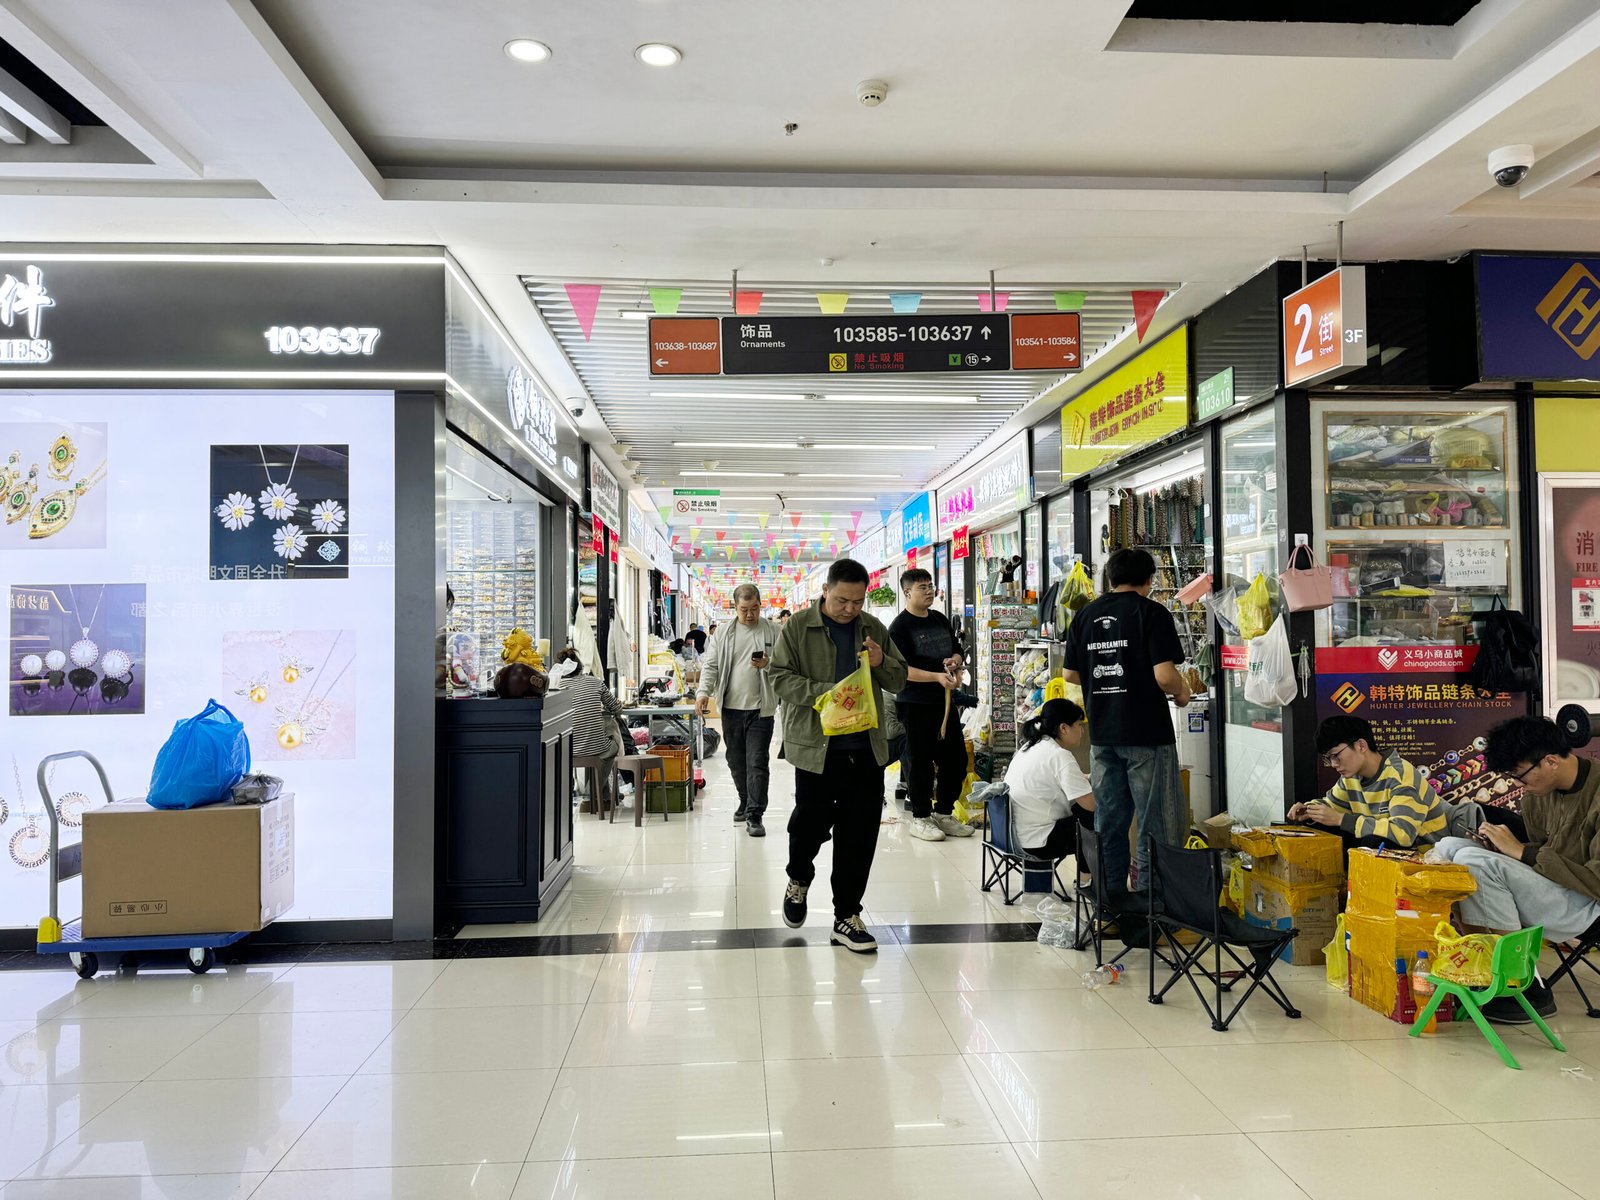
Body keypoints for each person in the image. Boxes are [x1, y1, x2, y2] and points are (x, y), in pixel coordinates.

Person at [769, 557, 909, 952]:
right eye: (842, 600)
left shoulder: (872, 628)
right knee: (810, 824)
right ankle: (799, 878)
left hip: (864, 748)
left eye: (857, 601)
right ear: (825, 591)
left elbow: (899, 678)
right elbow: (779, 676)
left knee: (859, 834)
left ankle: (846, 915)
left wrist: (881, 662)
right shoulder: (798, 627)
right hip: (817, 748)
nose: (849, 609)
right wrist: (826, 694)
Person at [1434, 715, 1600, 1023]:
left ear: (1550, 761)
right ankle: (1483, 968)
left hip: (1588, 904)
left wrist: (1522, 852)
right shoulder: (1537, 797)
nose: (1517, 784)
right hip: (1555, 889)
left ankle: (1523, 984)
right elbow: (1541, 856)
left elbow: (1594, 881)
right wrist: (1503, 849)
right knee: (1450, 848)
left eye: (1519, 776)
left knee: (1475, 862)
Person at [1062, 547, 1190, 900]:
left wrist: (1105, 679)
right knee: (1156, 824)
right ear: (1149, 579)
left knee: (1109, 823)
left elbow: (1070, 673)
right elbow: (1165, 676)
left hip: (1103, 735)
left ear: (1111, 578)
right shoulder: (1151, 612)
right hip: (1147, 734)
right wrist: (1182, 691)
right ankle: (1152, 907)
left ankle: (1110, 903)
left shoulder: (1085, 615)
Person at [887, 567, 971, 842]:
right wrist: (935, 677)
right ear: (907, 592)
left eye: (930, 585)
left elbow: (956, 649)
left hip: (944, 703)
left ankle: (944, 813)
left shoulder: (939, 619)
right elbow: (901, 670)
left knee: (955, 759)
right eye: (921, 587)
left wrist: (955, 661)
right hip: (915, 703)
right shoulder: (899, 627)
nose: (928, 591)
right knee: (920, 761)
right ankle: (921, 817)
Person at [694, 583, 779, 837]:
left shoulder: (774, 631)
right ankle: (745, 798)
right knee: (735, 761)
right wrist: (703, 693)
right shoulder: (722, 633)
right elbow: (711, 666)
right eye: (744, 609)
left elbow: (787, 665)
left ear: (760, 605)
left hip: (761, 709)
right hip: (731, 709)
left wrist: (768, 663)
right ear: (735, 607)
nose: (750, 614)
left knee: (757, 761)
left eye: (755, 608)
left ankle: (755, 814)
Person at [1288, 716, 1448, 848]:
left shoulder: (1400, 775)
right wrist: (1309, 810)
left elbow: (1403, 833)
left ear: (1361, 746)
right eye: (1328, 759)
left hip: (1426, 853)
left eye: (1335, 756)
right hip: (1386, 846)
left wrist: (1341, 819)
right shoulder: (1351, 777)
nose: (1334, 764)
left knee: (1373, 842)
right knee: (1318, 827)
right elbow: (1332, 805)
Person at [1006, 697, 1096, 864]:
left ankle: (1087, 874)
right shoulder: (1059, 755)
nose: (1083, 731)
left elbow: (1050, 778)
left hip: (1013, 835)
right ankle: (1089, 875)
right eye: (1079, 725)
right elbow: (1091, 804)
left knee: (1084, 813)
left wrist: (1086, 778)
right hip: (1040, 840)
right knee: (1097, 816)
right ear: (1064, 728)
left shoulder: (1030, 747)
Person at [552, 647, 626, 812]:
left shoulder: (555, 688)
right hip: (596, 748)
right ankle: (595, 793)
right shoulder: (595, 682)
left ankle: (594, 795)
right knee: (612, 743)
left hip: (566, 750)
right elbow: (616, 708)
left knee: (594, 740)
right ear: (580, 666)